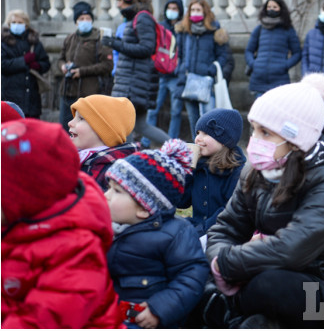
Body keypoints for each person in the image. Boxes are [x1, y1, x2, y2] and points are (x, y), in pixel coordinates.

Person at [205, 73, 324, 328]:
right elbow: (226, 228)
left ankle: (224, 311)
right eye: (254, 129)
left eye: (265, 132)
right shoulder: (256, 170)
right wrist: (218, 259)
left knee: (268, 285)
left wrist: (226, 264)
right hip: (260, 267)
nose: (254, 141)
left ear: (295, 139)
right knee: (191, 269)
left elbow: (292, 248)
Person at [1, 119, 122, 328]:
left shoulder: (76, 248)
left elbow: (47, 318)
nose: (71, 121)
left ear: (26, 196)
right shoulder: (14, 220)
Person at [104, 139, 209, 328]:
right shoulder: (105, 227)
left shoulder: (176, 233)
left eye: (117, 191)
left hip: (143, 319)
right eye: (109, 187)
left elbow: (192, 276)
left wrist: (160, 308)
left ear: (145, 208)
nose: (106, 195)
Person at [101, 0, 170, 145]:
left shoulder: (142, 17)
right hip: (134, 82)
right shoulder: (136, 18)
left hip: (133, 84)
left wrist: (115, 44)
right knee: (140, 125)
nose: (117, 4)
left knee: (126, 126)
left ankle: (128, 161)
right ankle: (180, 148)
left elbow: (146, 48)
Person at [177, 108, 246, 237]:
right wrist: (184, 170)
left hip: (222, 232)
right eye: (197, 133)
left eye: (206, 134)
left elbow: (228, 211)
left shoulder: (237, 172)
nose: (197, 138)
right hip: (196, 226)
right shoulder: (198, 165)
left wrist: (201, 231)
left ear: (224, 140)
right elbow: (182, 202)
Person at [175, 0, 229, 140]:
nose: (195, 13)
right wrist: (181, 70)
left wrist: (210, 70)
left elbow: (223, 56)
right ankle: (197, 156)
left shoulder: (215, 30)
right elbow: (179, 55)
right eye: (192, 10)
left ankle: (212, 156)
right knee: (194, 122)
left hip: (206, 82)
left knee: (208, 122)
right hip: (187, 82)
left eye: (198, 10)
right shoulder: (184, 31)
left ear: (205, 12)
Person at [58, 1, 114, 132]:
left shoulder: (99, 39)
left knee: (88, 131)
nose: (85, 21)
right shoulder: (69, 39)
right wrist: (63, 66)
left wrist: (81, 71)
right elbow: (60, 59)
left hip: (90, 93)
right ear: (76, 22)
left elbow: (107, 65)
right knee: (65, 129)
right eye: (81, 18)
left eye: (88, 18)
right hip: (68, 92)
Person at [68, 94, 139, 190]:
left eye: (81, 118)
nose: (70, 123)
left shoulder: (107, 172)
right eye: (74, 117)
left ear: (102, 132)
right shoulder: (74, 157)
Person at [143, 0, 185, 145]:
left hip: (175, 76)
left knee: (176, 111)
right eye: (169, 8)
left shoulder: (183, 28)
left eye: (175, 9)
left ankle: (171, 143)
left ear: (180, 11)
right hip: (160, 74)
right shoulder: (160, 27)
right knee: (152, 110)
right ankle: (146, 142)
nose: (171, 11)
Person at [245, 0, 301, 98]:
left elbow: (297, 53)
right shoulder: (259, 29)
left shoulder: (288, 29)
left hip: (279, 79)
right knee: (260, 112)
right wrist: (254, 64)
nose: (271, 9)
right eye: (269, 6)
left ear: (281, 9)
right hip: (259, 79)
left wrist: (284, 65)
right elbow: (249, 50)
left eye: (275, 7)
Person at [1, 10, 51, 119]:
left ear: (26, 24)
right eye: (14, 22)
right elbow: (3, 65)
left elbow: (46, 63)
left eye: (20, 22)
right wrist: (24, 60)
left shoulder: (34, 42)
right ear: (9, 24)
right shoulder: (3, 43)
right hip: (10, 96)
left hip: (32, 98)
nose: (17, 25)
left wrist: (38, 66)